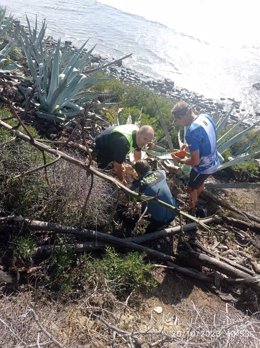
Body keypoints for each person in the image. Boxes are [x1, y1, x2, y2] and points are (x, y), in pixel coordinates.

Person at [171, 100, 220, 214]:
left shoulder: (191, 132)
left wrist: (181, 160)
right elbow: (205, 138)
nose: (178, 122)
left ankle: (192, 208)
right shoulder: (205, 117)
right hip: (215, 161)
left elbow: (195, 161)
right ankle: (198, 192)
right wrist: (190, 147)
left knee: (191, 188)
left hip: (204, 167)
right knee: (200, 182)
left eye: (178, 119)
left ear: (185, 115)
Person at [131, 160, 178, 230]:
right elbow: (162, 171)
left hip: (159, 220)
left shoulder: (139, 184)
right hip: (174, 213)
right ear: (149, 167)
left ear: (138, 172)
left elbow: (128, 191)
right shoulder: (161, 173)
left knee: (136, 206)